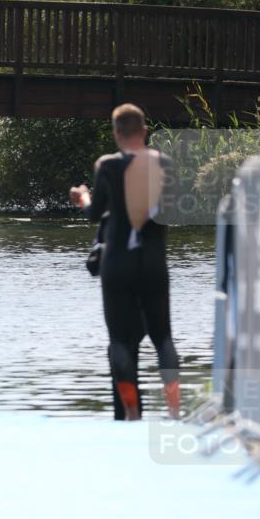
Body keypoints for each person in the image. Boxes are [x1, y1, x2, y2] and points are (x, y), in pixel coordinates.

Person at [70, 103, 180, 421]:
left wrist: (82, 197)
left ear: (117, 133)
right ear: (145, 132)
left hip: (117, 262)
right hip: (153, 262)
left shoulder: (107, 166)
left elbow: (94, 213)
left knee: (119, 340)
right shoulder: (165, 164)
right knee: (163, 338)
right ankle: (173, 410)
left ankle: (131, 411)